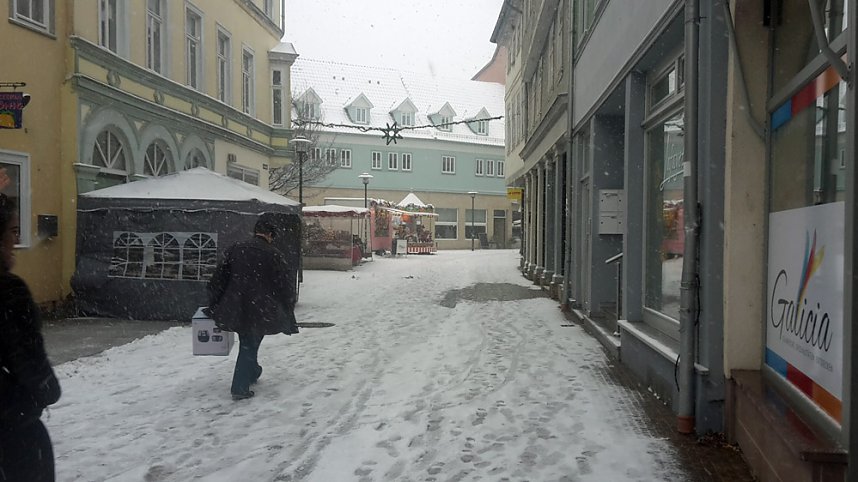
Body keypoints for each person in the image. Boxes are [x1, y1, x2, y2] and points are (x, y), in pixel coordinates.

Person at [0, 191, 62, 481]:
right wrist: (45, 392)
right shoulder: (8, 291)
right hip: (12, 436)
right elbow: (30, 362)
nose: (16, 241)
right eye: (13, 231)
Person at [207, 214, 298, 400]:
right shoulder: (274, 254)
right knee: (250, 343)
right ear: (271, 235)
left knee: (248, 341)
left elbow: (218, 279)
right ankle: (239, 387)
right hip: (260, 308)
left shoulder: (235, 249)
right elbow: (285, 286)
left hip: (236, 305)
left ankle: (253, 371)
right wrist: (287, 307)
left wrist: (215, 303)